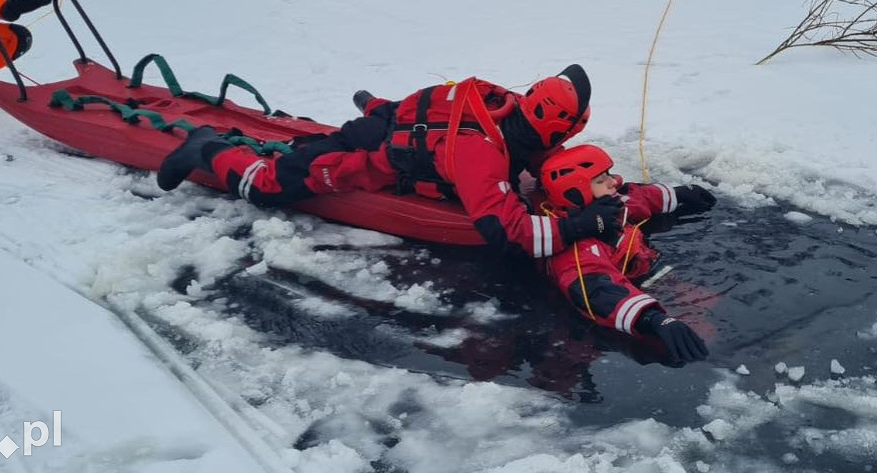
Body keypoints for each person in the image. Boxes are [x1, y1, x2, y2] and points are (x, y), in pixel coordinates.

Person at [158, 65, 627, 261]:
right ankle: (206, 147)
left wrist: (592, 187)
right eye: (567, 132)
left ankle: (372, 106)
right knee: (268, 187)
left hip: (400, 119)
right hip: (373, 149)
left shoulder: (509, 107)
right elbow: (504, 231)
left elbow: (540, 156)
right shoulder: (479, 151)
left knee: (385, 118)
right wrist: (578, 226)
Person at [538, 143, 717, 365]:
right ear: (577, 194)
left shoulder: (608, 208)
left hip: (655, 278)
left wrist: (678, 194)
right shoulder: (575, 252)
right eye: (601, 180)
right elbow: (596, 292)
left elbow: (637, 198)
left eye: (608, 174)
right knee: (703, 339)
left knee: (713, 302)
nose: (613, 181)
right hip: (633, 300)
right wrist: (652, 319)